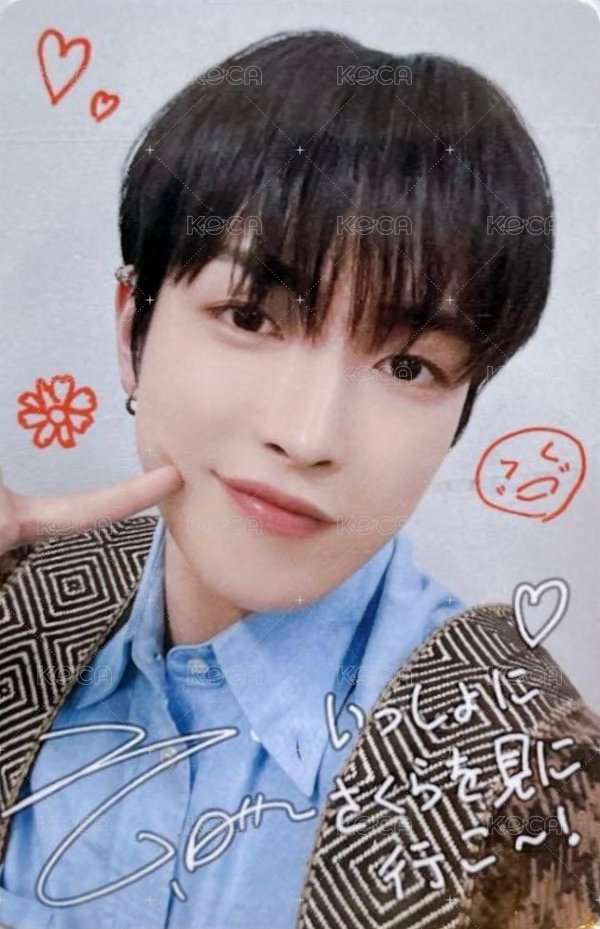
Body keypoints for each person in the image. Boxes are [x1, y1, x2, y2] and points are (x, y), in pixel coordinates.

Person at [1, 29, 598, 929]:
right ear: (133, 331)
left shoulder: (540, 781)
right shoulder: (22, 602)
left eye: (407, 366)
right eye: (249, 316)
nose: (310, 434)